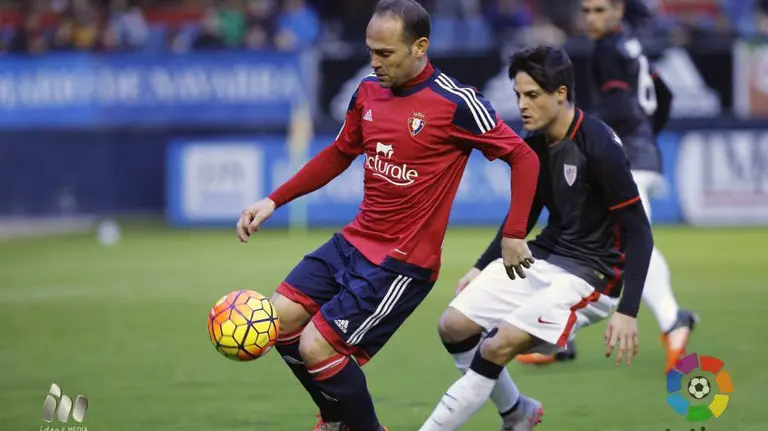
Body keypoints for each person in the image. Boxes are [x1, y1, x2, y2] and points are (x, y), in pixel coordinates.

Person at [236, 1, 541, 430]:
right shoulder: (367, 92)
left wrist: (513, 233)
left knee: (316, 347)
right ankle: (337, 415)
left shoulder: (455, 102)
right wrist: (273, 200)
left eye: (385, 54)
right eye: (370, 51)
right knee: (276, 320)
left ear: (420, 47)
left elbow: (524, 157)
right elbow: (340, 153)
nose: (374, 63)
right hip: (355, 241)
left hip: (402, 261)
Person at [417, 45, 654, 431]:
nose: (523, 105)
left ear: (561, 93)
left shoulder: (599, 144)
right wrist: (480, 266)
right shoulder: (535, 145)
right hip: (544, 257)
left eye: (532, 95)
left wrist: (628, 310)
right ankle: (518, 413)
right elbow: (522, 217)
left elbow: (638, 230)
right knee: (454, 325)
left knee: (495, 346)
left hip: (591, 275)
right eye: (518, 96)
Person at [516, 0, 697, 371]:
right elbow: (664, 97)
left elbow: (618, 107)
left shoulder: (609, 50)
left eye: (600, 10)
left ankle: (671, 320)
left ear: (619, 11)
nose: (591, 18)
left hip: (619, 156)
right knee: (590, 238)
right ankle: (560, 337)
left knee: (626, 240)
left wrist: (585, 135)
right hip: (639, 152)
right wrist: (648, 138)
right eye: (586, 10)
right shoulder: (631, 44)